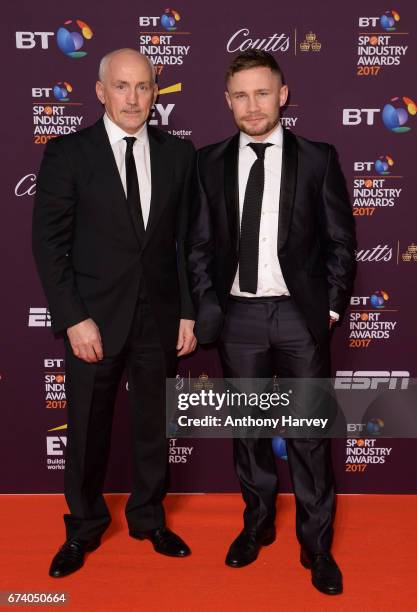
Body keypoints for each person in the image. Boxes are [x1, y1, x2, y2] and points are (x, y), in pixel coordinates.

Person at [187, 50, 355, 595]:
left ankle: (317, 545)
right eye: (241, 95)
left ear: (283, 95)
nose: (252, 105)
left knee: (309, 436)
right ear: (227, 100)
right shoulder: (207, 162)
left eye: (263, 93)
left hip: (299, 317)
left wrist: (328, 308)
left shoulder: (319, 157)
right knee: (249, 433)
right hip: (237, 317)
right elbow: (198, 244)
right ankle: (256, 524)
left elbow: (340, 243)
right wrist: (208, 303)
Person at [32, 48, 197, 578]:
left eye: (143, 87)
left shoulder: (178, 154)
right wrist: (73, 318)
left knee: (154, 426)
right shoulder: (67, 153)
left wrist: (189, 314)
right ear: (100, 92)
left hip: (160, 317)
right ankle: (82, 527)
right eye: (121, 87)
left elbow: (189, 243)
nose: (133, 98)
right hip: (93, 321)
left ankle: (149, 518)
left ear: (155, 92)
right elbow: (49, 244)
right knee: (85, 429)